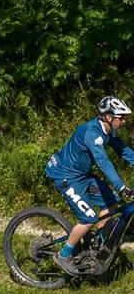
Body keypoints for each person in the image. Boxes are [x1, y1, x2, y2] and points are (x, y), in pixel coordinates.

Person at [45, 95, 134, 275]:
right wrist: (122, 186)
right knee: (88, 218)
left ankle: (99, 245)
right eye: (121, 117)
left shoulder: (109, 132)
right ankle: (64, 254)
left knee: (111, 203)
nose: (124, 121)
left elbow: (124, 151)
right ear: (108, 117)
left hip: (83, 175)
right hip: (66, 176)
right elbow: (103, 162)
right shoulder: (92, 133)